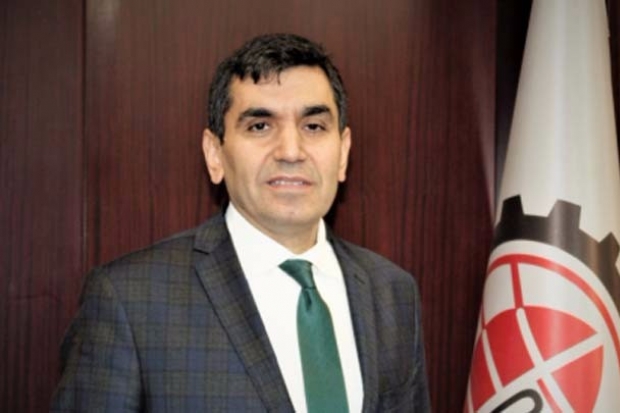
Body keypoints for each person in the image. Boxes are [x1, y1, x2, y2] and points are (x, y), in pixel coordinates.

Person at [51, 33, 430, 412]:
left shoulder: (392, 292)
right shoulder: (129, 300)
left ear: (343, 153)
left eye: (313, 126)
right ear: (215, 154)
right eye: (260, 126)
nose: (291, 151)